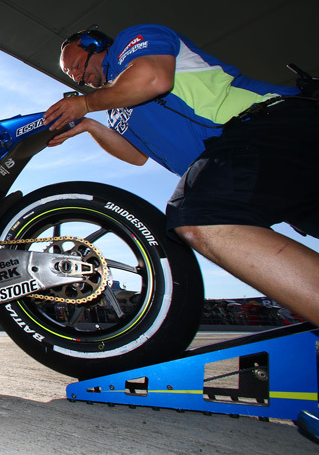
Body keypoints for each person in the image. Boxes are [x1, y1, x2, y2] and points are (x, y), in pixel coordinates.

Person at [44, 23, 319, 326]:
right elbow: (136, 156)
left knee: (199, 216)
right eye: (72, 77)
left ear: (94, 44)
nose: (81, 78)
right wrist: (89, 125)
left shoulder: (134, 41)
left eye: (78, 67)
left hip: (271, 123)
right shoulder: (114, 105)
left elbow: (154, 78)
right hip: (258, 161)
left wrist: (84, 103)